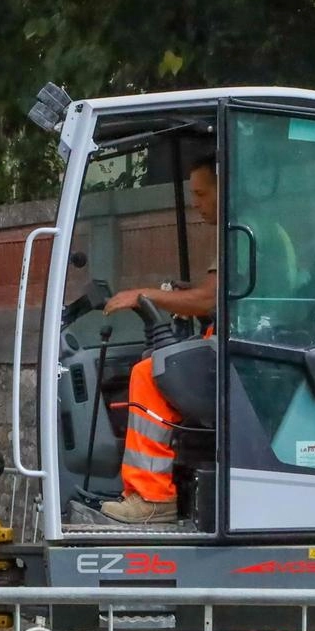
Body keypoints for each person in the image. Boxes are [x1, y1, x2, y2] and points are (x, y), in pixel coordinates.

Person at [97, 156, 220, 524]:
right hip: (230, 349)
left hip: (240, 359)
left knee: (149, 375)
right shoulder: (247, 230)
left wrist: (143, 295)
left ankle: (152, 497)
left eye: (201, 194)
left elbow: (208, 299)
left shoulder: (242, 233)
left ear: (223, 188)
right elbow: (216, 298)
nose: (195, 203)